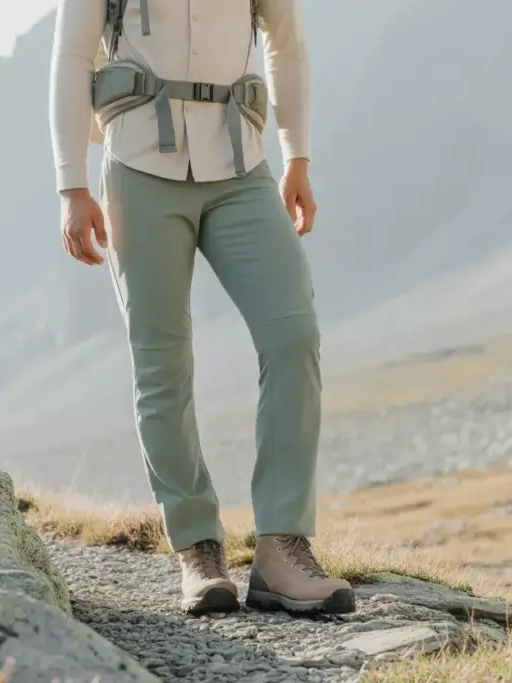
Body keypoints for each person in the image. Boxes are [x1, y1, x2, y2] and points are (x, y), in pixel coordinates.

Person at [50, 0, 355, 617]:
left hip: (242, 169)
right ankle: (197, 550)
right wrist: (71, 185)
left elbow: (285, 41)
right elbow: (72, 55)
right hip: (137, 165)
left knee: (293, 337)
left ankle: (282, 551)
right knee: (162, 364)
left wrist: (297, 156)